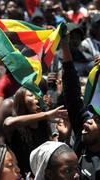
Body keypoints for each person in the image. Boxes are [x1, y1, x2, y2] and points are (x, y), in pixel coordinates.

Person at [61, 28, 100, 180]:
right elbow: (72, 93)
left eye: (97, 120)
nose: (89, 120)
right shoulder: (81, 138)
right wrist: (64, 45)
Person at [3, 86, 67, 175]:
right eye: (31, 95)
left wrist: (62, 136)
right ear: (21, 100)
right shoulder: (16, 124)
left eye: (39, 94)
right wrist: (46, 114)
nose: (37, 97)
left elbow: (48, 153)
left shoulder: (43, 124)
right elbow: (8, 123)